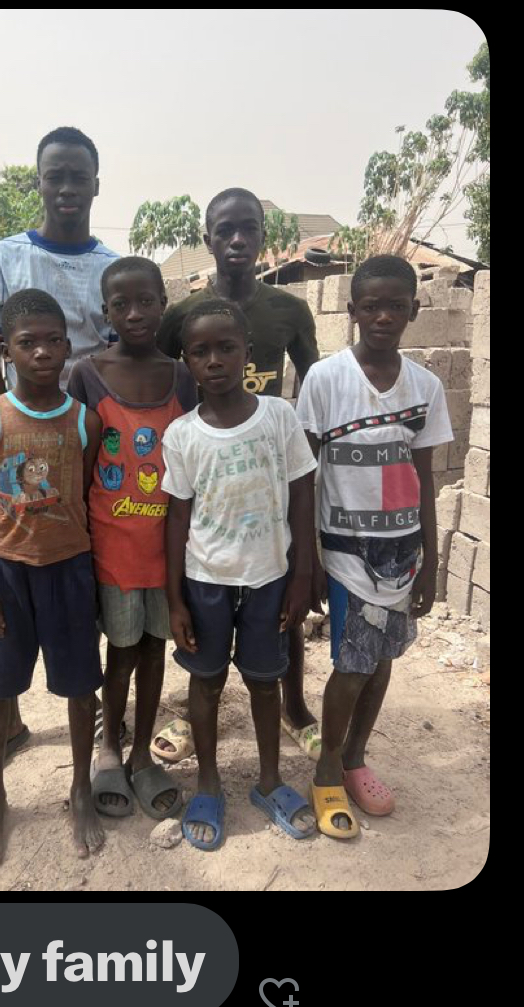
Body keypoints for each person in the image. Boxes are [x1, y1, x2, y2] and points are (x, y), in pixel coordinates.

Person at [0, 126, 119, 785]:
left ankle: (95, 715)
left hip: (87, 438)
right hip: (21, 442)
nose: (66, 188)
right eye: (55, 175)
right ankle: (8, 721)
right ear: (38, 181)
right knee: (12, 590)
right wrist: (13, 433)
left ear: (96, 184)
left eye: (79, 175)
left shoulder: (113, 266)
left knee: (82, 580)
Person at [154, 187, 322, 763]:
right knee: (206, 607)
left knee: (278, 603)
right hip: (204, 466)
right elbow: (153, 373)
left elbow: (313, 384)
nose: (237, 240)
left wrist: (303, 450)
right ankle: (194, 707)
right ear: (207, 239)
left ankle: (294, 705)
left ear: (262, 236)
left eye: (248, 229)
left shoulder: (288, 310)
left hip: (269, 466)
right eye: (224, 230)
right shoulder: (181, 316)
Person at [295, 255, 453, 839]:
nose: (383, 316)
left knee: (382, 659)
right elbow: (304, 476)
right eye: (371, 306)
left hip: (402, 554)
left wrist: (430, 564)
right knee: (352, 664)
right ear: (353, 311)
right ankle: (327, 766)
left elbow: (425, 477)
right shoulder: (327, 380)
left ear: (414, 309)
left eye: (396, 306)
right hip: (345, 552)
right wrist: (306, 558)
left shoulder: (426, 387)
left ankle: (357, 755)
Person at [163, 298, 319, 850]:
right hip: (205, 580)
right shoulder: (181, 435)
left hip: (269, 577)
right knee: (205, 681)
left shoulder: (278, 418)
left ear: (247, 353)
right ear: (187, 362)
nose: (214, 360)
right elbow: (177, 517)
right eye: (200, 351)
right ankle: (208, 782)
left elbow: (302, 493)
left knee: (263, 679)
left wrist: (303, 574)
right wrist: (175, 599)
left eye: (226, 347)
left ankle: (269, 781)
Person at [0, 288, 104, 865]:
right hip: (10, 573)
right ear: (8, 352)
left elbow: (87, 498)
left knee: (79, 687)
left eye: (53, 341)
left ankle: (79, 787)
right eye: (28, 343)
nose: (42, 352)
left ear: (68, 347)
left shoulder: (85, 422)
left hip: (69, 571)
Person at [67, 257, 198, 820]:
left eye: (146, 301)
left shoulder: (182, 376)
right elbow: (77, 465)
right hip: (112, 549)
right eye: (121, 304)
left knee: (152, 649)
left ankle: (144, 754)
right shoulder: (86, 373)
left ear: (163, 305)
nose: (135, 313)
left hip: (167, 549)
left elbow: (195, 460)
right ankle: (110, 749)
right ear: (106, 312)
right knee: (118, 650)